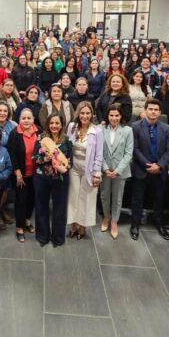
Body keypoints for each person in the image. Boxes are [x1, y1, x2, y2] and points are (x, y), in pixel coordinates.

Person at [129, 98, 169, 241]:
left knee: (159, 199)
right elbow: (135, 149)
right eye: (151, 109)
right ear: (145, 110)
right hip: (141, 169)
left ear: (160, 112)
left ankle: (160, 224)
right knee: (137, 199)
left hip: (159, 170)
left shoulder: (166, 128)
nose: (153, 112)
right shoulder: (135, 126)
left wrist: (159, 165)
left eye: (156, 110)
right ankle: (135, 224)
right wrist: (148, 165)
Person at [33, 113, 72, 247]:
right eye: (52, 123)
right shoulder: (41, 138)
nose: (54, 126)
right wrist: (45, 158)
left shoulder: (67, 140)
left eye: (57, 123)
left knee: (60, 209)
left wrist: (64, 169)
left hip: (60, 179)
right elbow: (34, 159)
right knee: (41, 207)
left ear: (62, 125)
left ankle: (58, 238)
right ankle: (42, 236)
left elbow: (70, 162)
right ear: (48, 124)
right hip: (42, 178)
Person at [66, 101, 104, 240]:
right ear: (78, 113)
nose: (85, 116)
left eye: (88, 113)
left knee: (86, 199)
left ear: (92, 114)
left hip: (89, 171)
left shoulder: (97, 130)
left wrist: (97, 174)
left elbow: (99, 154)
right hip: (73, 169)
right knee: (73, 198)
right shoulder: (71, 127)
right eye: (82, 113)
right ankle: (73, 226)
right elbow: (67, 147)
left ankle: (82, 227)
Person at [100, 105, 133, 240]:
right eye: (111, 115)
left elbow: (128, 153)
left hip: (120, 171)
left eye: (116, 115)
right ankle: (106, 218)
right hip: (105, 170)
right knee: (104, 195)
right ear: (107, 116)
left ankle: (114, 221)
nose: (114, 118)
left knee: (118, 198)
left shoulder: (127, 130)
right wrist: (106, 168)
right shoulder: (101, 130)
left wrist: (118, 170)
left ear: (121, 116)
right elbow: (98, 152)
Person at [7, 108, 39, 242]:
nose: (26, 121)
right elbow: (11, 154)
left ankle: (26, 220)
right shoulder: (15, 133)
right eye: (23, 118)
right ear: (19, 120)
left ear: (33, 119)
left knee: (31, 199)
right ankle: (19, 227)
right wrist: (18, 172)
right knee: (21, 200)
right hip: (21, 174)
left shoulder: (40, 132)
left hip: (36, 174)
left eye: (29, 118)